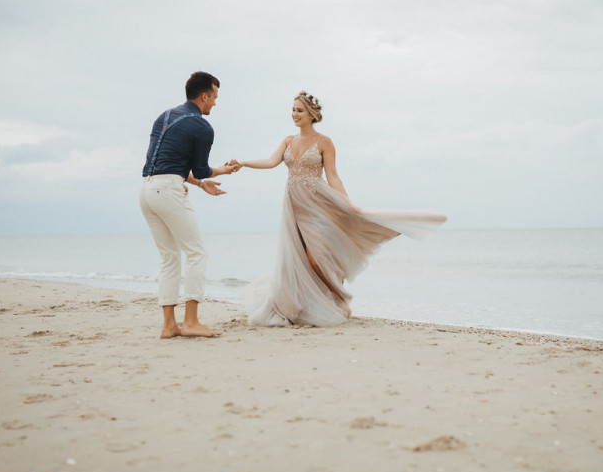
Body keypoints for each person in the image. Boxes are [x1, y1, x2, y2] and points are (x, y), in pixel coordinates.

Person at [230, 91, 446, 327]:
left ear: (312, 114)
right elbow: (271, 162)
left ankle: (338, 296)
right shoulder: (287, 141)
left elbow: (333, 176)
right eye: (292, 110)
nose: (294, 114)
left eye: (299, 110)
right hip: (293, 204)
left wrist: (347, 203)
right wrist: (243, 163)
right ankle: (297, 302)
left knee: (316, 256)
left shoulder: (324, 142)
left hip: (318, 203)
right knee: (296, 257)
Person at [139, 71, 237, 338]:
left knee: (169, 257)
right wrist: (222, 171)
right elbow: (202, 168)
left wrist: (199, 184)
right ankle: (191, 322)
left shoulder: (165, 116)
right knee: (197, 253)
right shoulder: (202, 127)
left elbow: (168, 165)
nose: (215, 103)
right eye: (215, 97)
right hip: (168, 191)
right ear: (204, 95)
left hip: (147, 190)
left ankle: (170, 325)